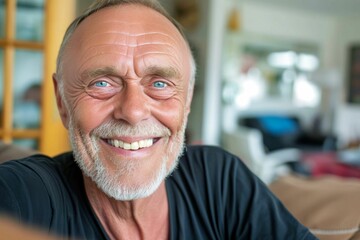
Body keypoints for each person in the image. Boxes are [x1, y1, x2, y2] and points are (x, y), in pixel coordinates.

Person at [0, 0, 317, 239]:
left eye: (161, 84)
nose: (134, 111)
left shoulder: (219, 180)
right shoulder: (26, 195)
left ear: (187, 101)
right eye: (102, 83)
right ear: (62, 102)